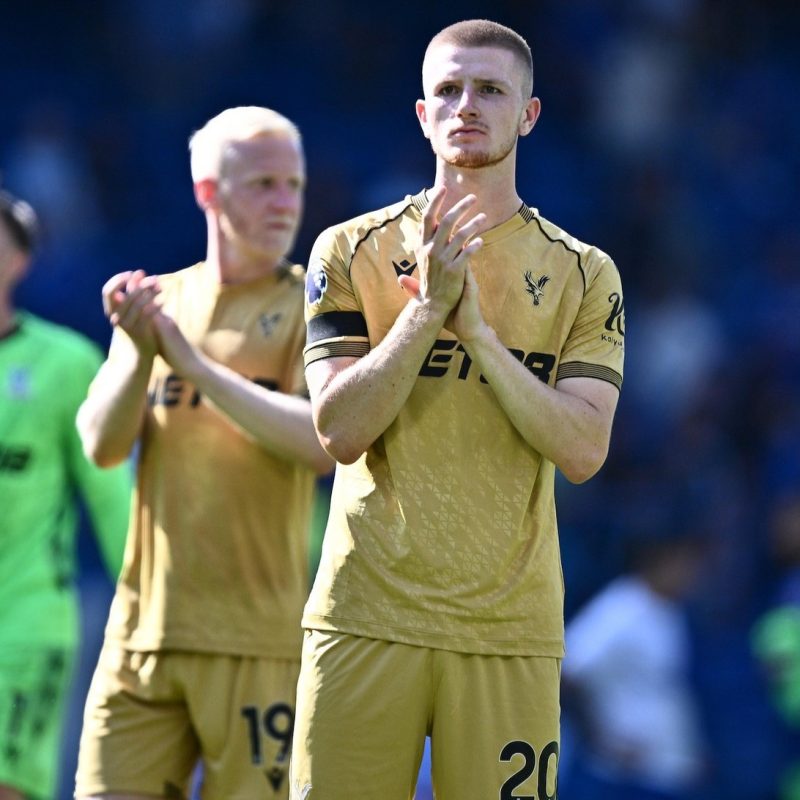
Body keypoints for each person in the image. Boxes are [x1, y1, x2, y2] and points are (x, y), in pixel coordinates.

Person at [292, 18, 625, 799]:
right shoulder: (348, 251)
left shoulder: (585, 274)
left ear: (530, 114)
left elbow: (583, 450)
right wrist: (424, 315)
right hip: (363, 616)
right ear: (421, 112)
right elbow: (338, 429)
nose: (466, 106)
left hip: (508, 630)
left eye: (489, 90)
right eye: (447, 89)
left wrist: (475, 334)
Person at [73, 106, 332, 800]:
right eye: (264, 185)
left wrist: (190, 365)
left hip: (256, 644)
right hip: (140, 641)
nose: (285, 203)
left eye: (294, 185)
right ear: (208, 192)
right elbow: (100, 444)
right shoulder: (160, 303)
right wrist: (135, 351)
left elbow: (321, 441)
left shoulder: (315, 304)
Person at [0, 187, 131, 800]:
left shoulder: (67, 363)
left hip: (24, 617)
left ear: (20, 260)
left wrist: (146, 604)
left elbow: (110, 496)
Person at [560, 529, 710, 800]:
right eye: (686, 562)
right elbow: (567, 671)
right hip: (625, 778)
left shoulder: (670, 609)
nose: (693, 574)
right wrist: (599, 737)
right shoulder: (622, 606)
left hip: (666, 772)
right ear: (662, 560)